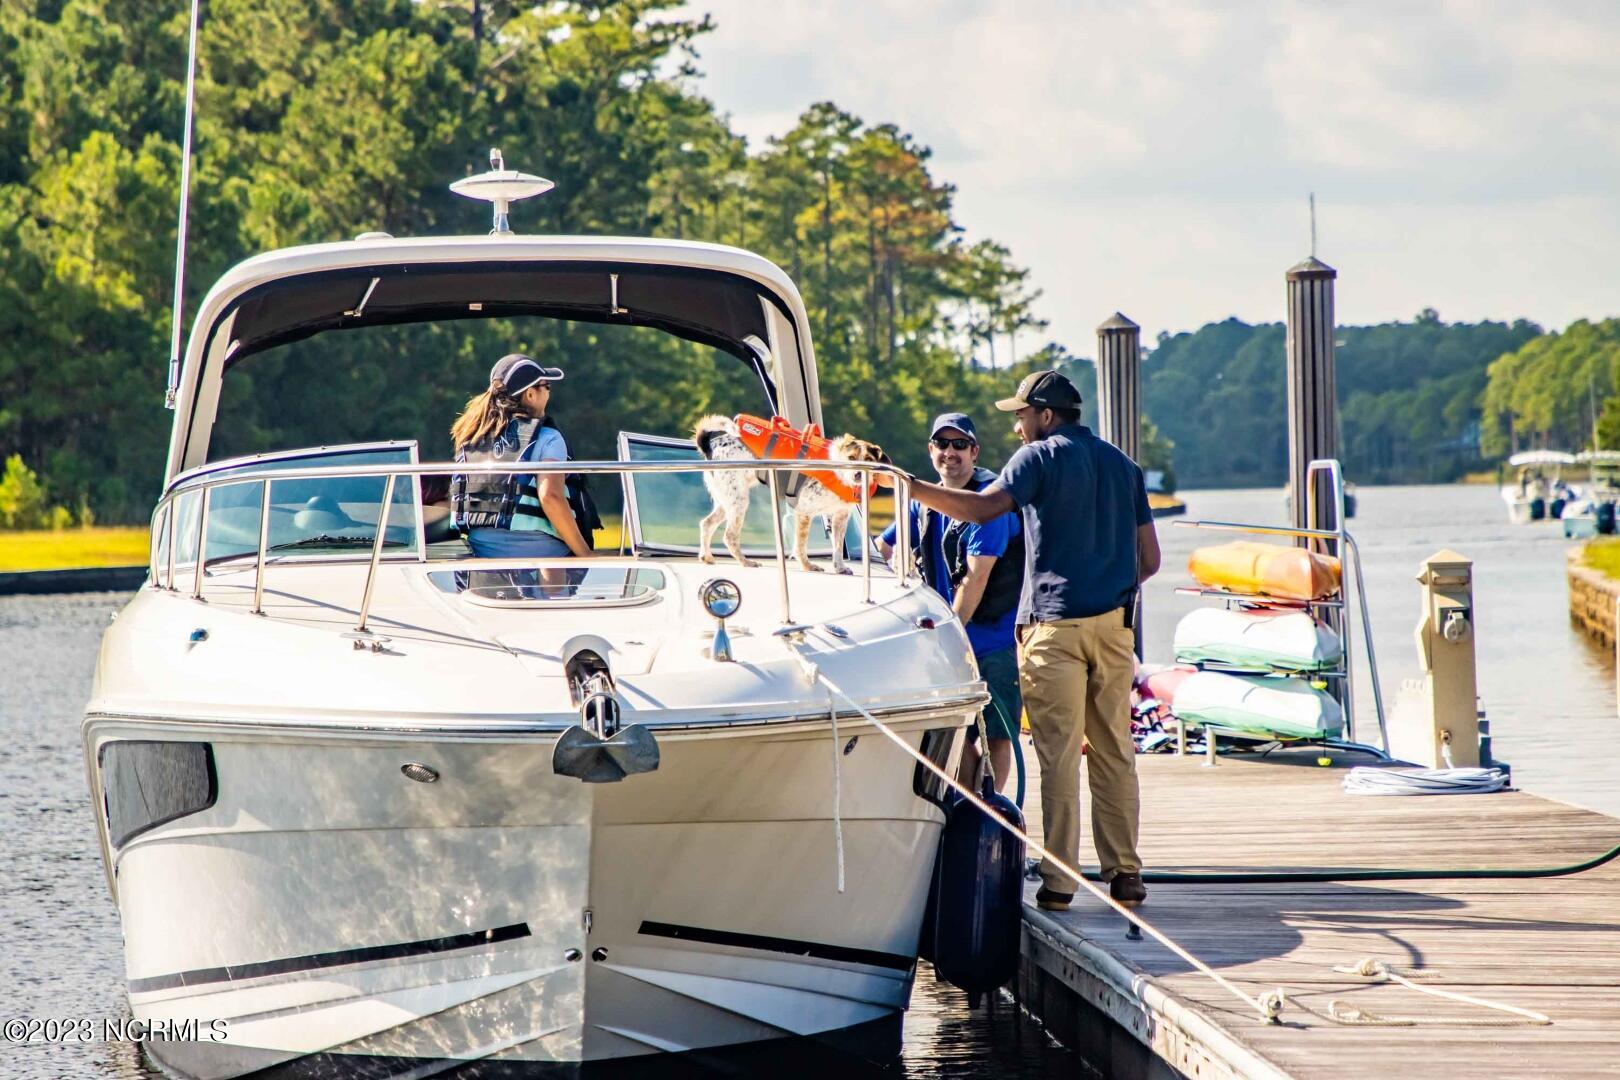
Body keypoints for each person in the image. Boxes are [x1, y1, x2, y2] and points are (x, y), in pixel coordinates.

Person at [880, 370, 1161, 911]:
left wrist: (910, 488)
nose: (1016, 426)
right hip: (1116, 627)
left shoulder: (1038, 458)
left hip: (1053, 630)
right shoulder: (1124, 466)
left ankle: (1059, 883)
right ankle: (1125, 874)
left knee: (1058, 756)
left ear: (1046, 415)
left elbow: (983, 509)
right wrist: (1107, 590)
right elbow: (1149, 561)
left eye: (1021, 415)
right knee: (1115, 751)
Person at [878, 413, 1025, 796]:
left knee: (996, 734)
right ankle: (971, 805)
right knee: (951, 733)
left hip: (992, 641)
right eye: (942, 444)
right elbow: (884, 546)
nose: (950, 453)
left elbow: (976, 580)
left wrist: (949, 639)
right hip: (946, 638)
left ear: (974, 452)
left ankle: (987, 811)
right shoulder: (924, 503)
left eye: (960, 445)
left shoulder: (988, 504)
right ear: (931, 451)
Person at [450, 353, 596, 562]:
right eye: (547, 387)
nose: (548, 393)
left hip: (480, 552)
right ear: (530, 394)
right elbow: (550, 496)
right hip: (541, 551)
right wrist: (587, 555)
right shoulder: (550, 438)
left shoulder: (471, 438)